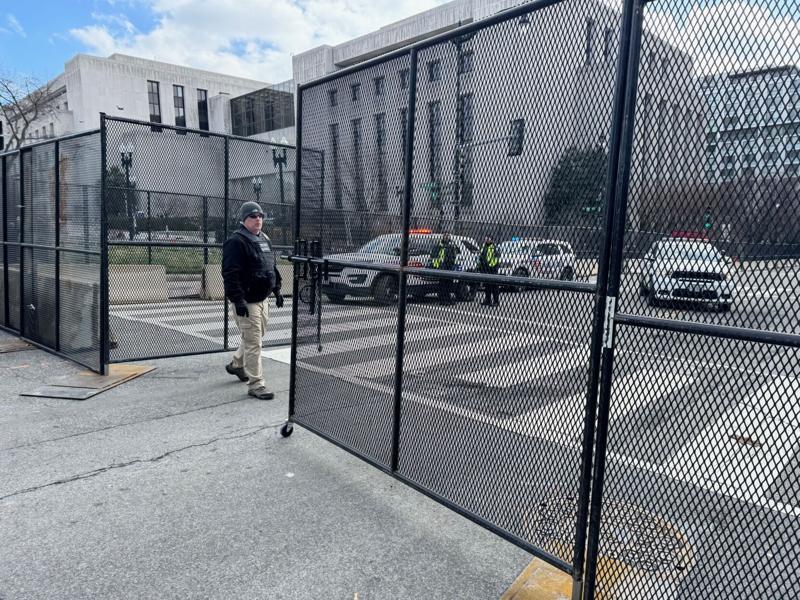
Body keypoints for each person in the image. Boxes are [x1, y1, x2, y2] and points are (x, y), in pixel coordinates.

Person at [222, 201, 284, 400]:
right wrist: (238, 300)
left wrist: (277, 290)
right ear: (244, 219)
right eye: (253, 216)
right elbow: (230, 274)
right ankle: (256, 384)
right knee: (254, 342)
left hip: (262, 298)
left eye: (260, 216)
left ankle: (237, 364)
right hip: (248, 300)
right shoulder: (236, 241)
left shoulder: (263, 238)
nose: (258, 219)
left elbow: (269, 266)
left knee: (255, 336)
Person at [431, 232, 457, 305]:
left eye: (448, 235)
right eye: (445, 235)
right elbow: (434, 256)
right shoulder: (439, 245)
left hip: (449, 267)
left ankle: (448, 299)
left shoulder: (452, 245)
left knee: (449, 284)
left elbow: (454, 255)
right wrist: (438, 266)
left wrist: (451, 263)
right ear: (443, 236)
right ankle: (443, 300)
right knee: (443, 285)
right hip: (442, 268)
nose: (447, 237)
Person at [479, 234, 501, 306]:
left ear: (491, 240)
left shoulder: (494, 247)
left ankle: (496, 301)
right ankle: (487, 299)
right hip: (485, 269)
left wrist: (492, 266)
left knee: (494, 286)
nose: (487, 240)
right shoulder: (483, 247)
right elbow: (481, 256)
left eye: (488, 239)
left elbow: (496, 258)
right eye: (486, 238)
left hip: (492, 269)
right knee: (487, 285)